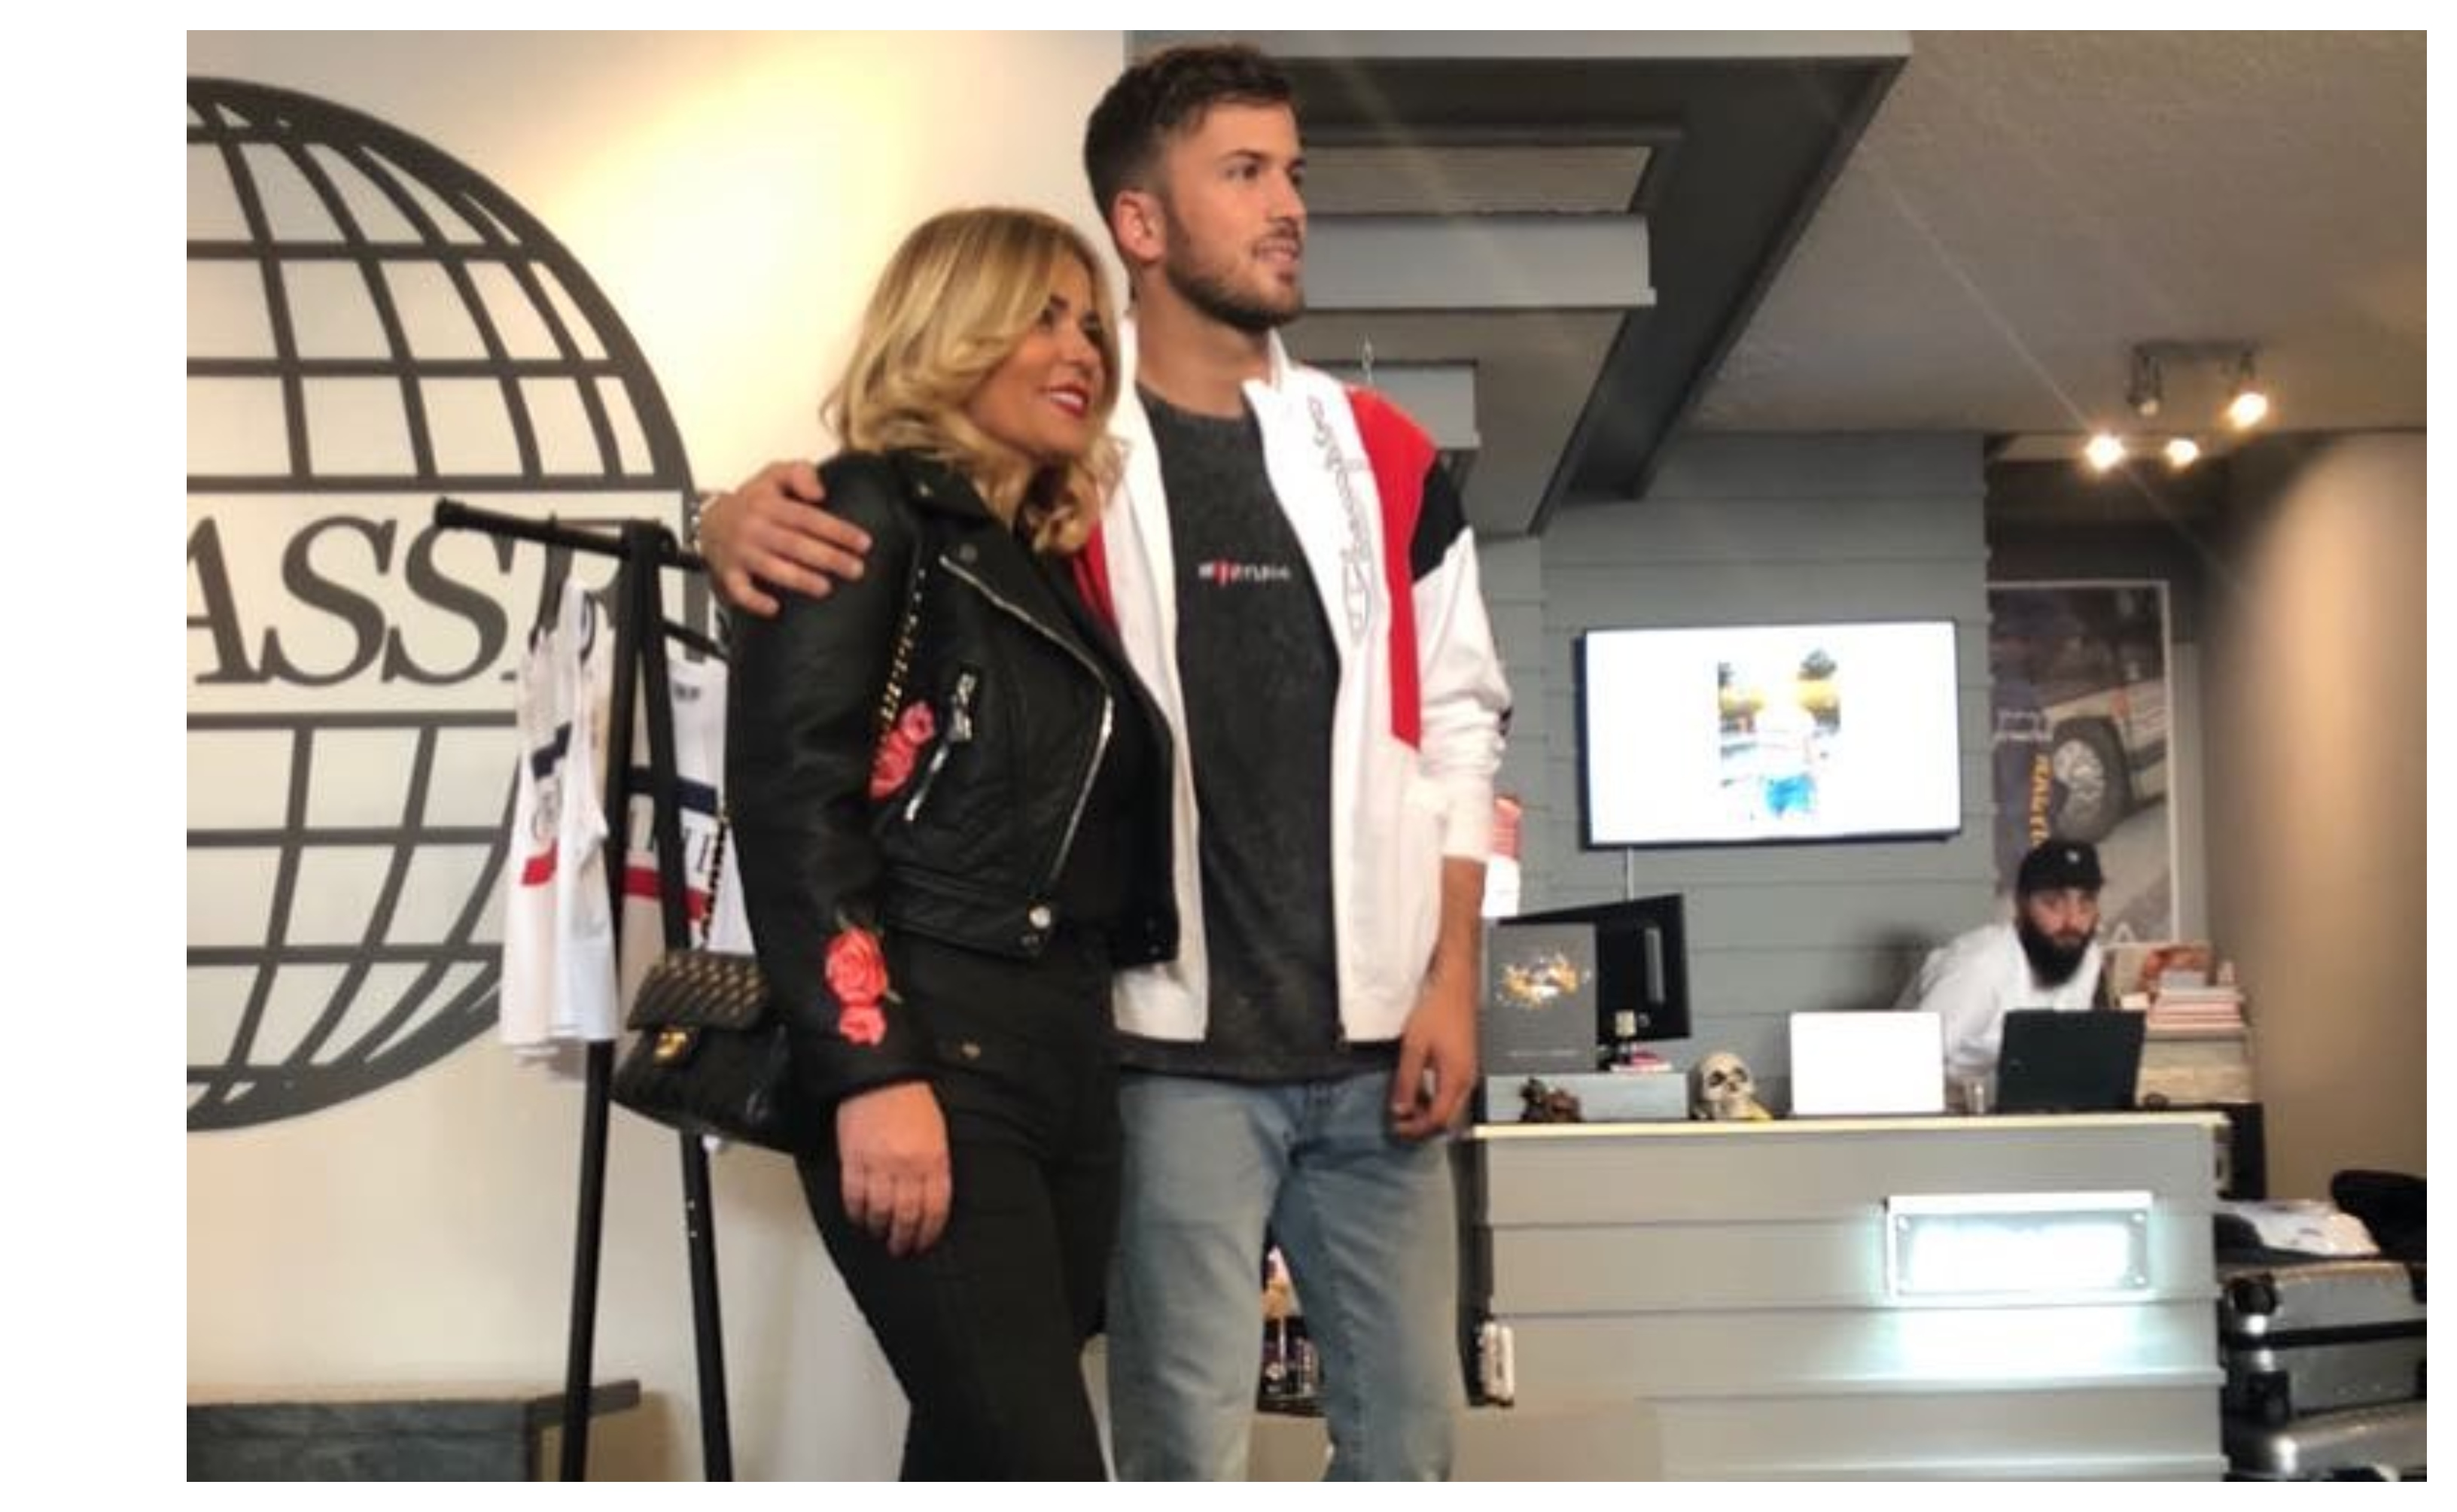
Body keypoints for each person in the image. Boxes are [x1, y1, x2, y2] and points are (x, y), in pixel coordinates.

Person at [698, 44, 1511, 1483]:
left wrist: (1452, 976)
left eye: (1293, 172)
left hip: (1336, 1044)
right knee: (1140, 1454)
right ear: (1141, 218)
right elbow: (805, 763)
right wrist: (722, 516)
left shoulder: (1364, 456)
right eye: (1243, 172)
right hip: (1141, 1051)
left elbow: (1457, 722)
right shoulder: (1045, 474)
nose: (1288, 205)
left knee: (1399, 1450)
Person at [724, 205, 1177, 1480]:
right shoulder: (863, 509)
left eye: (1089, 323)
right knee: (1037, 1464)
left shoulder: (1041, 562)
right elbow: (793, 804)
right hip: (940, 1043)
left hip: (1064, 1053)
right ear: (949, 327)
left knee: (979, 1458)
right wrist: (870, 1071)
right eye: (1040, 315)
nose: (1081, 348)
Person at [1894, 838, 2108, 1091]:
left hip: (2027, 1102)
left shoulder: (2086, 956)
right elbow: (1902, 1067)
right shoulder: (1980, 967)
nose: (2072, 921)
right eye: (2053, 904)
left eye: (2086, 903)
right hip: (1944, 1105)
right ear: (2021, 904)